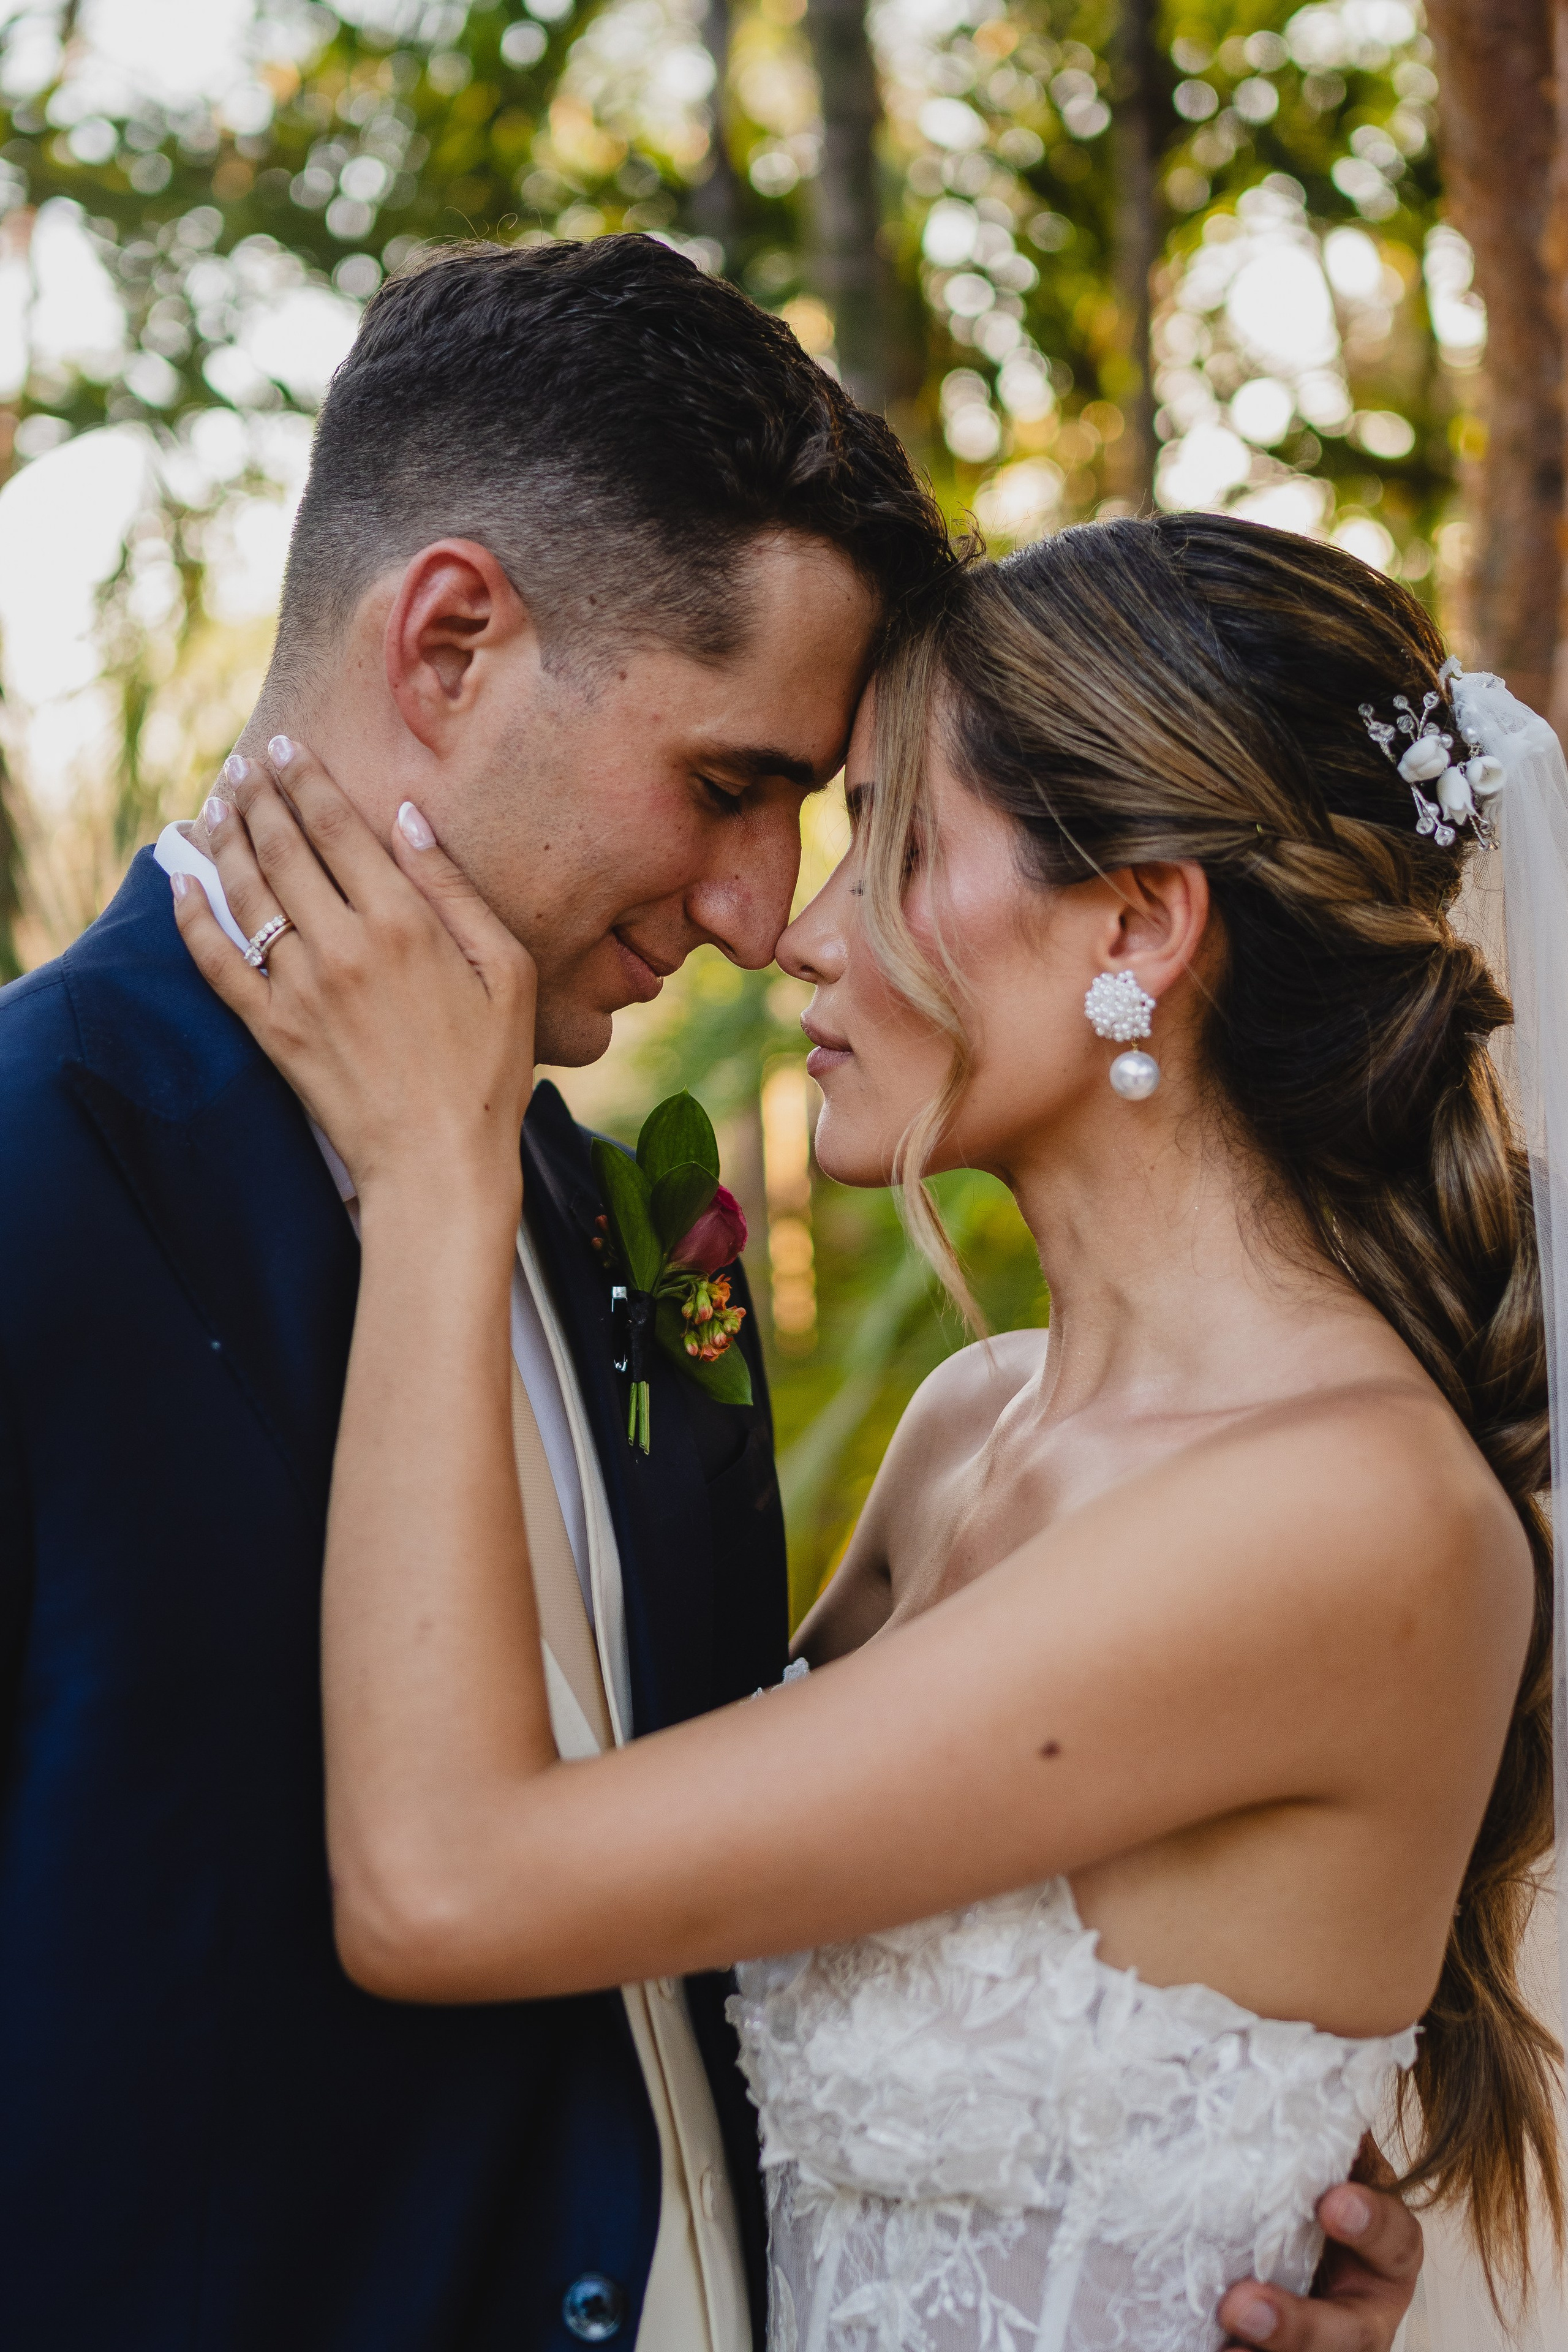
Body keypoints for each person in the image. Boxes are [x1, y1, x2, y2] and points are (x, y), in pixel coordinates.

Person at [162, 511, 1531, 2350]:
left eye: (891, 846)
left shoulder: (1346, 1516)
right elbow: (666, 1960)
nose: (799, 936)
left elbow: (448, 1886)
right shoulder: (968, 1430)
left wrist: (434, 1173)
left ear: (1138, 922)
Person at [0, 234, 949, 2352]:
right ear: (450, 643)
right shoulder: (29, 1183)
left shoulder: (609, 1216)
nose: (758, 913)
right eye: (730, 786)